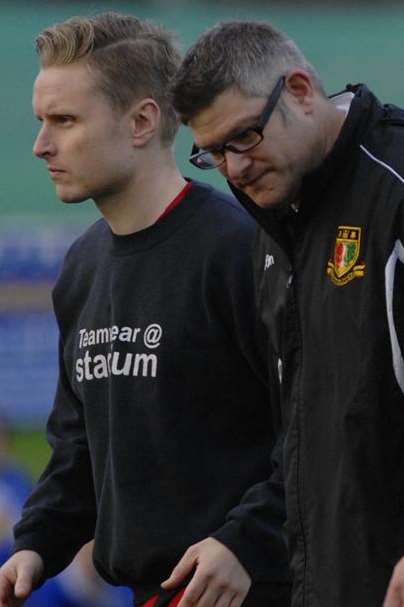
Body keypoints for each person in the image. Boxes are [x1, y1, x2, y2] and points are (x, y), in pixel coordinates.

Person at [0, 13, 291, 607]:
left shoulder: (238, 249)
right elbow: (77, 442)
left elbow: (315, 429)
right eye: (41, 122)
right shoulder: (82, 269)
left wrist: (245, 542)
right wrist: (36, 544)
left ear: (141, 122)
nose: (41, 144)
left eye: (65, 120)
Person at [172, 19, 404, 607]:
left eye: (243, 137)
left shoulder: (393, 187)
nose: (234, 168)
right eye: (213, 153)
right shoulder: (276, 226)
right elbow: (313, 434)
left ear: (299, 90)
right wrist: (245, 540)